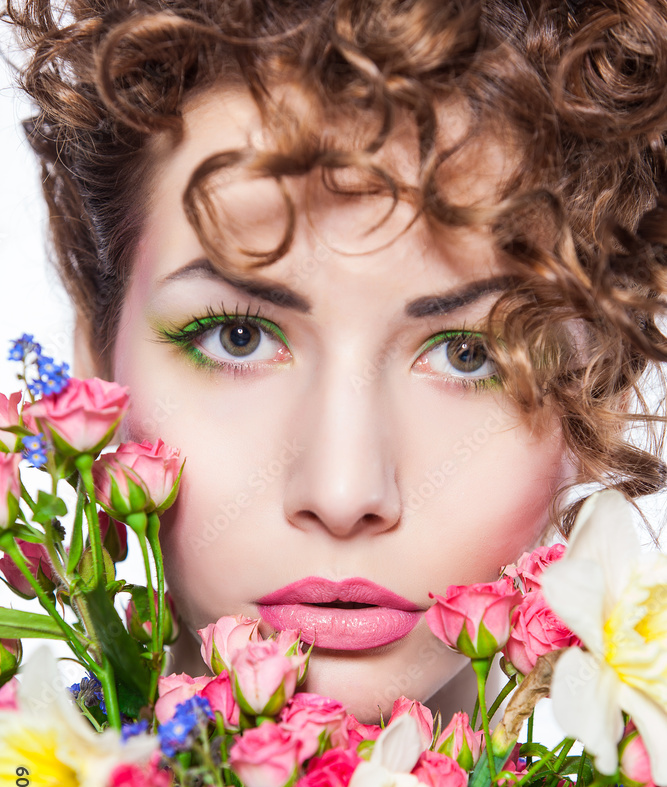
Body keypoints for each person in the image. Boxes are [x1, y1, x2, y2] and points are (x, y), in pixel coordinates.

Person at [5, 0, 667, 724]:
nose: (344, 492)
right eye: (237, 336)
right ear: (96, 362)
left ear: (599, 391)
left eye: (469, 352)